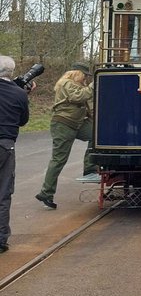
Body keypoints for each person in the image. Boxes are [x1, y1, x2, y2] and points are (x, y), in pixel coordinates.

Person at [35, 65, 99, 209]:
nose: (86, 78)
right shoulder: (66, 83)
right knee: (59, 160)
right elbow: (79, 97)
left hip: (77, 124)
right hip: (63, 124)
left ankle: (90, 169)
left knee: (96, 135)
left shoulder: (76, 85)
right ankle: (46, 193)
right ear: (77, 73)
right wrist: (94, 84)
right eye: (85, 75)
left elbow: (86, 103)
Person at [0, 56, 32, 252]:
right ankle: (0, 239)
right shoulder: (19, 93)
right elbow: (23, 121)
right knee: (3, 193)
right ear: (11, 72)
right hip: (5, 145)